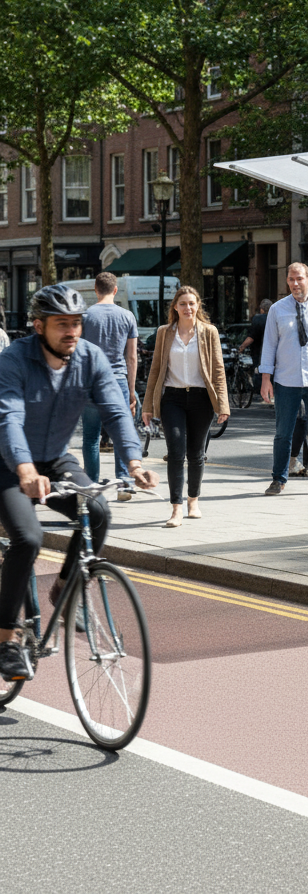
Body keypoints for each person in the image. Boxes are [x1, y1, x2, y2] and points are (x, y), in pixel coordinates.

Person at [0, 284, 158, 681]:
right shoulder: (14, 360)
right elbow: (9, 419)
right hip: (7, 463)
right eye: (61, 325)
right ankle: (7, 638)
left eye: (76, 324)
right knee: (29, 538)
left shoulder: (90, 359)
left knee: (99, 512)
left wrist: (134, 463)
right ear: (39, 326)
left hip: (53, 457)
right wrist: (24, 471)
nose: (71, 332)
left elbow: (115, 409)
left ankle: (66, 589)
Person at [142, 285, 229, 527]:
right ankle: (176, 509)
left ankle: (193, 500)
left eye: (192, 303)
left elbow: (218, 370)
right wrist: (147, 405)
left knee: (196, 454)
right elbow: (156, 370)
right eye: (183, 304)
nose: (188, 308)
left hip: (202, 398)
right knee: (176, 453)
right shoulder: (164, 332)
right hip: (172, 398)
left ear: (198, 306)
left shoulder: (209, 332)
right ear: (175, 307)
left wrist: (223, 404)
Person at [80, 271, 139, 496]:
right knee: (120, 433)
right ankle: (124, 482)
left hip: (91, 381)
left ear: (95, 290)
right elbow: (131, 357)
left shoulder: (85, 316)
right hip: (118, 381)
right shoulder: (127, 317)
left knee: (91, 437)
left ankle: (91, 486)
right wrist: (132, 392)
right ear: (115, 290)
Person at [260, 263, 308, 495]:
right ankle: (279, 478)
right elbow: (270, 344)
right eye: (291, 279)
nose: (295, 284)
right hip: (286, 379)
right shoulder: (277, 309)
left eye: (299, 279)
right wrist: (266, 379)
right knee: (283, 432)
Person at [239, 298, 272, 396]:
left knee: (259, 372)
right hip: (274, 352)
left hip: (259, 352)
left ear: (262, 309)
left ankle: (261, 393)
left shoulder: (259, 319)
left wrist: (242, 347)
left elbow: (251, 336)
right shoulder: (275, 318)